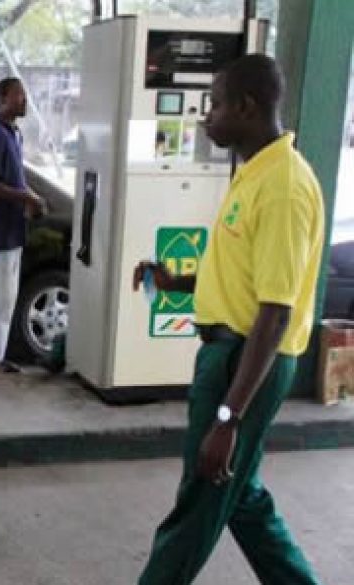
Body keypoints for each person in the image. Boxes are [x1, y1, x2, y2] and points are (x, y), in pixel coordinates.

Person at [133, 54, 323, 585]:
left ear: (246, 107)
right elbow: (243, 278)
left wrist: (227, 419)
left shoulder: (283, 187)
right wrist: (175, 282)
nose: (205, 118)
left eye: (214, 105)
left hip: (246, 362)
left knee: (201, 498)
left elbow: (275, 312)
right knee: (241, 498)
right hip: (230, 354)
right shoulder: (254, 174)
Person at [0, 77, 46, 374]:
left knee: (7, 297)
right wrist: (26, 197)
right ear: (3, 99)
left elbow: (16, 179)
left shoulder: (13, 134)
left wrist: (30, 198)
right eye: (19, 95)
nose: (25, 100)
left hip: (13, 229)